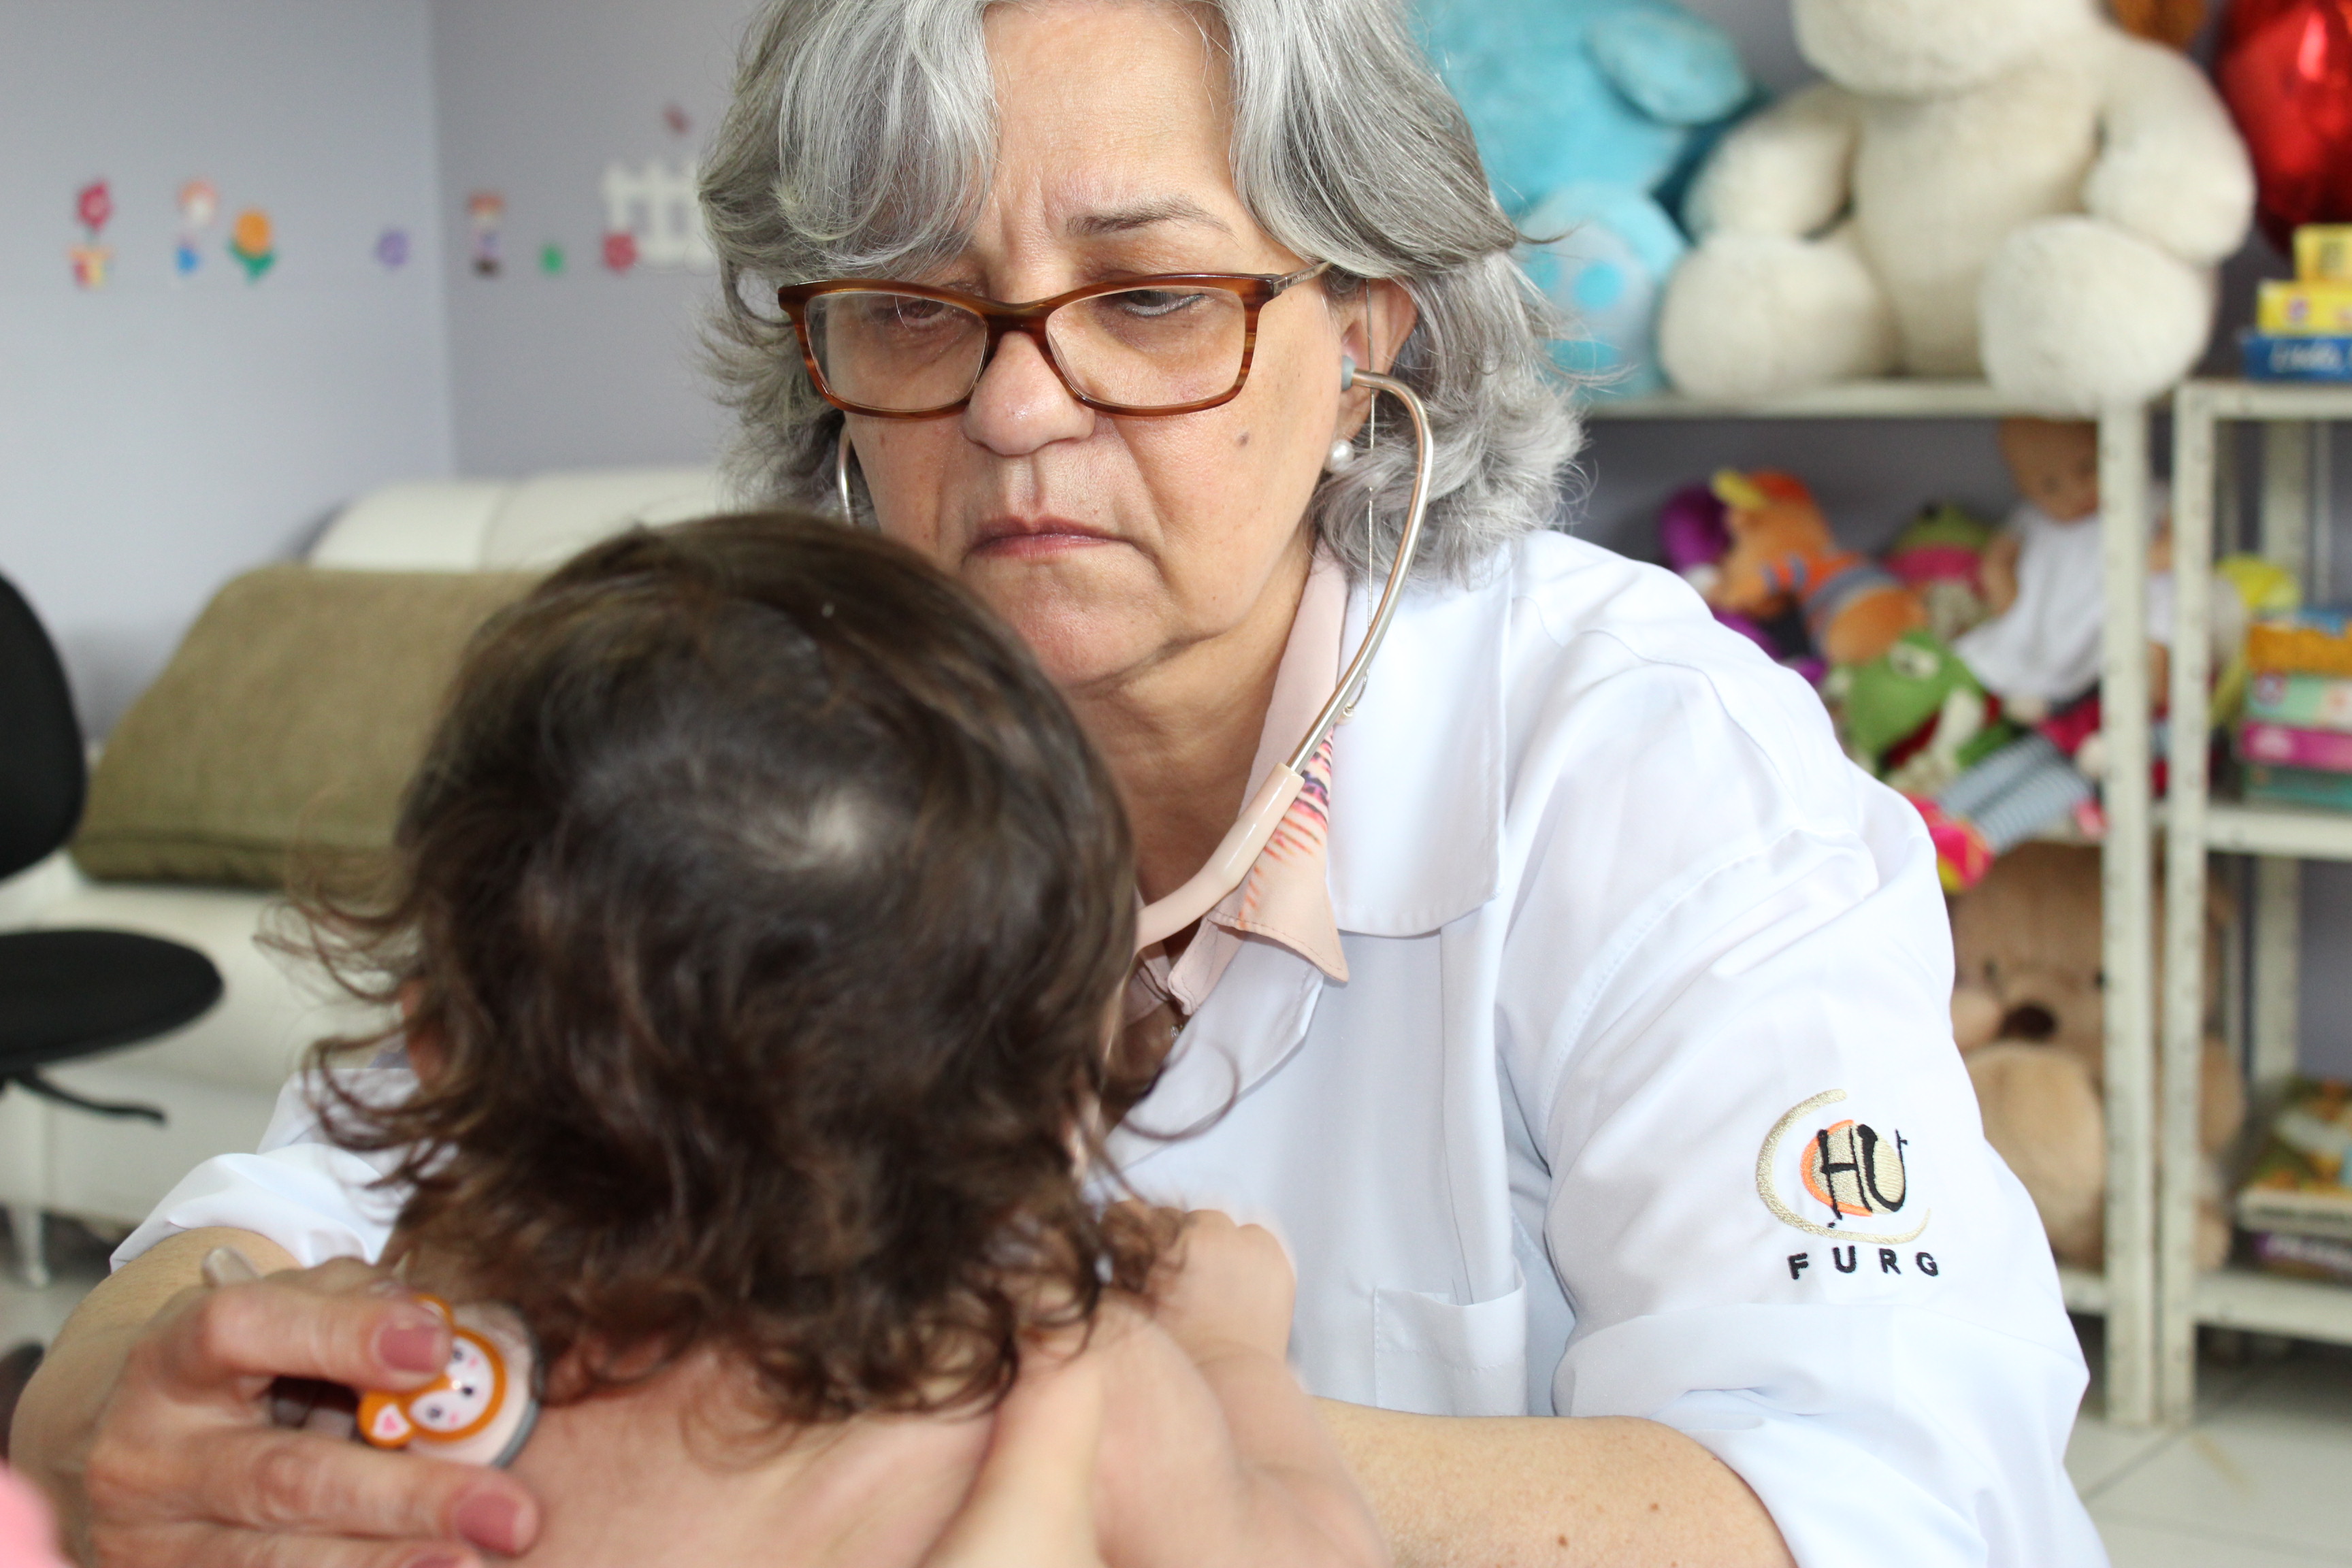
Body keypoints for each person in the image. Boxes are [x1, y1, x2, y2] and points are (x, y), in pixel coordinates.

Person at [13, 2, 2107, 1565]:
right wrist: (143, 1415)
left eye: (1153, 296)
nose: (1019, 408)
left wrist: (957, 1424)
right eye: (917, 309)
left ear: (1365, 330)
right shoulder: (722, 735)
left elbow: (1899, 1495)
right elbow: (276, 1225)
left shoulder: (1640, 764)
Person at [291, 511, 1386, 1568]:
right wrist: (1235, 1359)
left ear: (432, 1044)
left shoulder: (420, 1400)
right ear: (1060, 1109)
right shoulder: (1088, 1390)